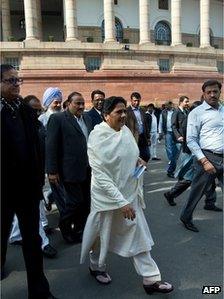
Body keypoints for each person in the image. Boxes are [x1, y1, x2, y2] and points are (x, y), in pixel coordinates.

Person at [80, 96, 173, 295]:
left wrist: (138, 160)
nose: (123, 115)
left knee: (137, 233)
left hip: (129, 194)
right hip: (106, 199)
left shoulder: (125, 132)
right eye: (118, 112)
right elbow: (102, 177)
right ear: (106, 115)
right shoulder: (97, 138)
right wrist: (121, 202)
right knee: (100, 235)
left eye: (124, 111)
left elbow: (130, 153)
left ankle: (151, 279)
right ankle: (96, 267)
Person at [1, 64, 56, 298]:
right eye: (10, 81)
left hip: (27, 189)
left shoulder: (24, 110)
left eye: (18, 80)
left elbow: (37, 145)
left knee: (32, 240)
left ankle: (39, 290)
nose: (16, 85)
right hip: (3, 190)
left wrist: (38, 179)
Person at [46, 91, 93, 243]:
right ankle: (65, 229)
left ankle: (79, 231)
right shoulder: (58, 118)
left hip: (87, 168)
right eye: (77, 103)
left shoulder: (87, 118)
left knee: (86, 203)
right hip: (68, 170)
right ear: (68, 104)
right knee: (74, 203)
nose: (80, 106)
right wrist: (52, 171)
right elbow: (51, 145)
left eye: (82, 103)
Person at [180, 80, 223, 232]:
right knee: (197, 192)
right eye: (209, 92)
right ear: (204, 94)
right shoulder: (196, 113)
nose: (212, 94)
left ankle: (209, 204)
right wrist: (204, 161)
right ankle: (186, 216)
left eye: (215, 91)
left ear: (219, 92)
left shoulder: (223, 110)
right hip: (206, 158)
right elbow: (191, 140)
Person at [164, 101, 219, 210]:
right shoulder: (189, 121)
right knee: (189, 179)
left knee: (210, 177)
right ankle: (171, 194)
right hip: (194, 155)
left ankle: (210, 202)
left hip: (204, 153)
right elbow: (190, 141)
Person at [126, 92, 150, 162]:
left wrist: (148, 137)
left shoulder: (142, 110)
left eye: (138, 101)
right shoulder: (127, 111)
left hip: (143, 136)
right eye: (135, 101)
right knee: (135, 156)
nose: (136, 102)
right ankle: (137, 170)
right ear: (131, 100)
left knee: (147, 155)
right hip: (133, 137)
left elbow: (145, 124)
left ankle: (141, 167)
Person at [158, 101, 180, 178]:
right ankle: (171, 161)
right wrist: (160, 132)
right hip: (168, 132)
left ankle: (173, 162)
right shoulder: (163, 113)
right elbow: (160, 122)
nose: (168, 106)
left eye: (170, 105)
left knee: (177, 149)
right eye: (167, 105)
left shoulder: (176, 111)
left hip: (176, 132)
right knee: (169, 149)